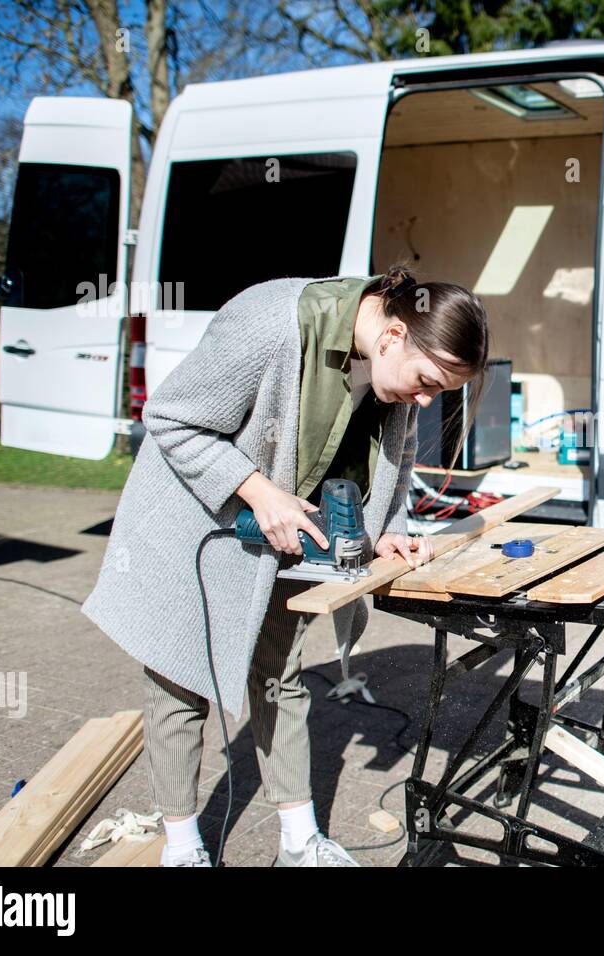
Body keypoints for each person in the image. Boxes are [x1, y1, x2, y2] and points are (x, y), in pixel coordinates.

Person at [82, 264, 491, 864]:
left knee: (281, 674)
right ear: (394, 334)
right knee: (181, 682)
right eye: (426, 381)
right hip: (205, 522)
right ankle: (182, 846)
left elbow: (397, 457)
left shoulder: (393, 368)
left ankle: (301, 841)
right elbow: (171, 416)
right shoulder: (272, 323)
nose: (426, 399)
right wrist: (255, 489)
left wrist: (390, 531)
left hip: (292, 536)